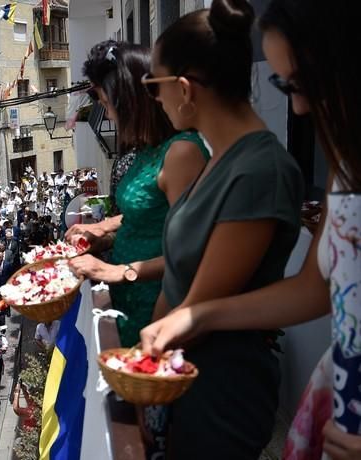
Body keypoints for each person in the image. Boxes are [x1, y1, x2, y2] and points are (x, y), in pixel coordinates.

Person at [137, 1, 361, 458]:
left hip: (223, 388)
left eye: (300, 84)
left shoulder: (261, 169)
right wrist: (196, 315)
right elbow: (317, 289)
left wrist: (195, 315)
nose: (297, 107)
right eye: (282, 85)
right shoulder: (345, 167)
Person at [118, 1, 302, 457]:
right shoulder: (217, 158)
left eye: (154, 85)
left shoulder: (259, 170)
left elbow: (199, 307)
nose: (154, 100)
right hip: (179, 376)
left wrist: (143, 371)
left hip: (220, 390)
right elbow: (180, 281)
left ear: (184, 89)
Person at [66, 41, 210, 347]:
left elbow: (190, 258)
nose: (109, 115)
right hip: (128, 299)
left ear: (130, 102)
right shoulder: (149, 149)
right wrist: (103, 234)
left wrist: (116, 271)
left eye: (107, 105)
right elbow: (146, 219)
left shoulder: (182, 153)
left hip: (156, 307)